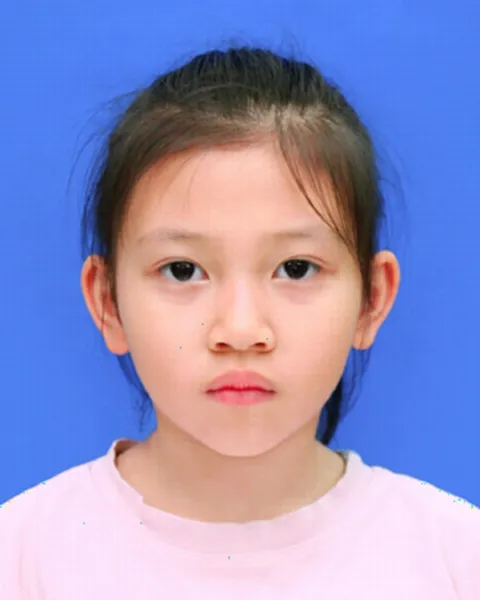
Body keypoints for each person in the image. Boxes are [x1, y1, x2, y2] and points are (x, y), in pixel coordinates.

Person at [1, 46, 478, 599]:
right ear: (108, 301)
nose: (241, 330)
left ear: (372, 299)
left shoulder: (454, 557)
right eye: (183, 270)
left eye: (295, 268)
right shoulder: (23, 557)